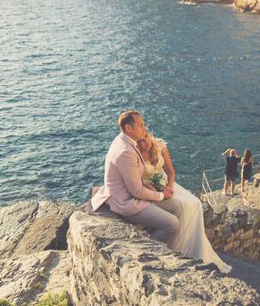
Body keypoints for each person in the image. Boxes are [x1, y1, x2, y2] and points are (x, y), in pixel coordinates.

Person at [138, 135, 232, 273]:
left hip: (167, 184)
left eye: (145, 136)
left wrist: (169, 187)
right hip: (149, 190)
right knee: (183, 206)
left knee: (195, 203)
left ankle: (195, 250)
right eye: (140, 140)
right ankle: (178, 249)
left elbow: (170, 171)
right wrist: (150, 187)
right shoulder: (133, 152)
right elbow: (134, 178)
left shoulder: (159, 144)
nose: (144, 141)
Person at [91, 111, 183, 244]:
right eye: (140, 125)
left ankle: (155, 234)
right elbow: (137, 192)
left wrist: (150, 187)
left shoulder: (125, 140)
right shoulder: (125, 152)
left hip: (133, 192)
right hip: (126, 202)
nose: (144, 128)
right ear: (128, 128)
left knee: (177, 207)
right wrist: (162, 195)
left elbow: (133, 178)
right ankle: (151, 249)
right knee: (173, 224)